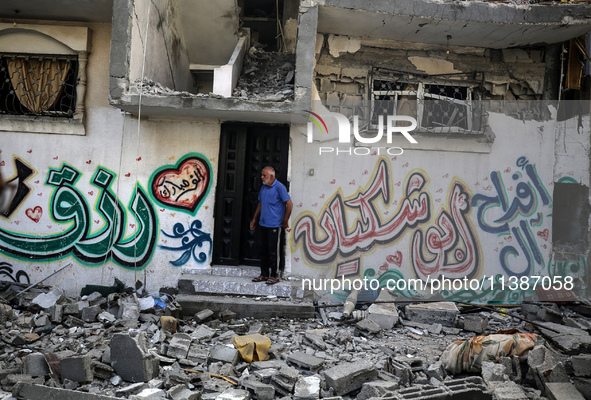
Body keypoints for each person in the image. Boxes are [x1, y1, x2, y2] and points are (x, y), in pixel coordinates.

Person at [250, 166, 292, 285]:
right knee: (262, 249)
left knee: (273, 251)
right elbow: (260, 203)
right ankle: (264, 274)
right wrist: (254, 219)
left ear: (272, 176)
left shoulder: (279, 187)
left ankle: (274, 275)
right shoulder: (263, 188)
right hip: (263, 223)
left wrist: (285, 220)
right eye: (262, 175)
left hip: (274, 225)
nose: (262, 177)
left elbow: (289, 203)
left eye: (264, 175)